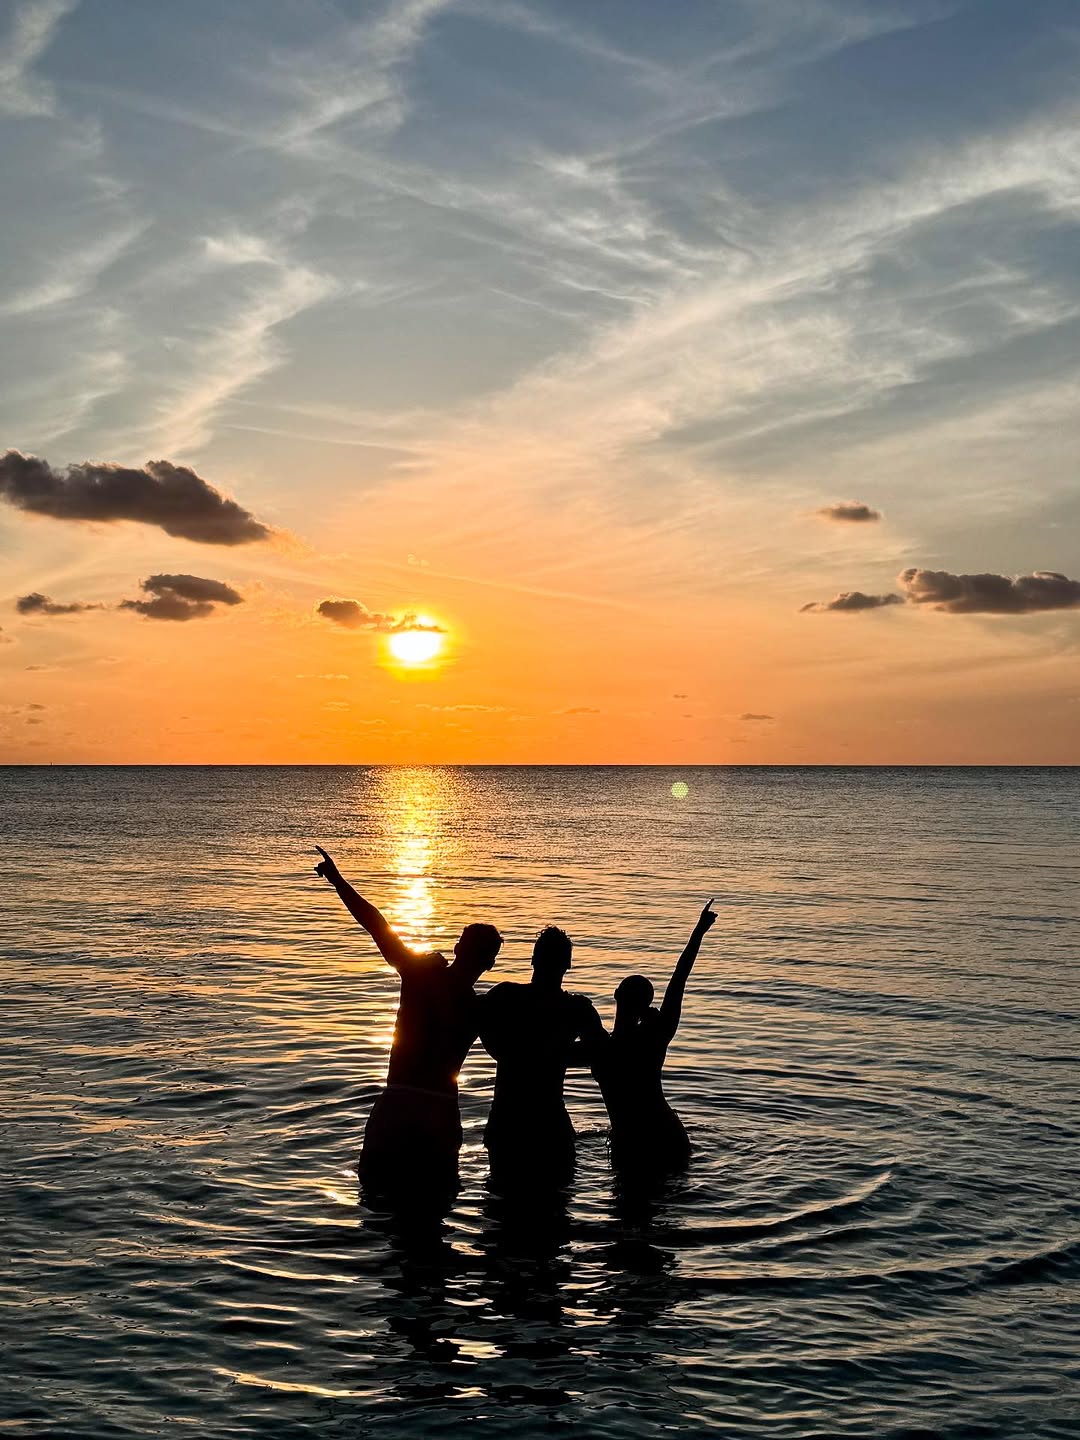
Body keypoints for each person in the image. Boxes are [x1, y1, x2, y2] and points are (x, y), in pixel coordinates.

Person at [314, 845, 502, 1199]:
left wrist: (337, 879)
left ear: (457, 948)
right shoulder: (480, 1009)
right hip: (441, 1113)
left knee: (377, 1199)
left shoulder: (419, 975)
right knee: (434, 1207)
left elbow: (377, 925)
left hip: (399, 1104)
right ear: (490, 964)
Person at [593, 900, 716, 1174]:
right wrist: (698, 932)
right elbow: (679, 979)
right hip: (665, 1137)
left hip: (631, 1145)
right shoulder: (654, 1037)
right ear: (647, 1004)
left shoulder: (600, 1046)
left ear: (616, 995)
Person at [478, 926, 605, 1187]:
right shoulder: (577, 1009)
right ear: (568, 965)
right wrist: (556, 1055)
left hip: (508, 1121)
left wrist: (518, 1054)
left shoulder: (505, 996)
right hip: (549, 1122)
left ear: (533, 960)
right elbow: (603, 1052)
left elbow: (477, 1025)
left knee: (503, 1201)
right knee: (554, 1202)